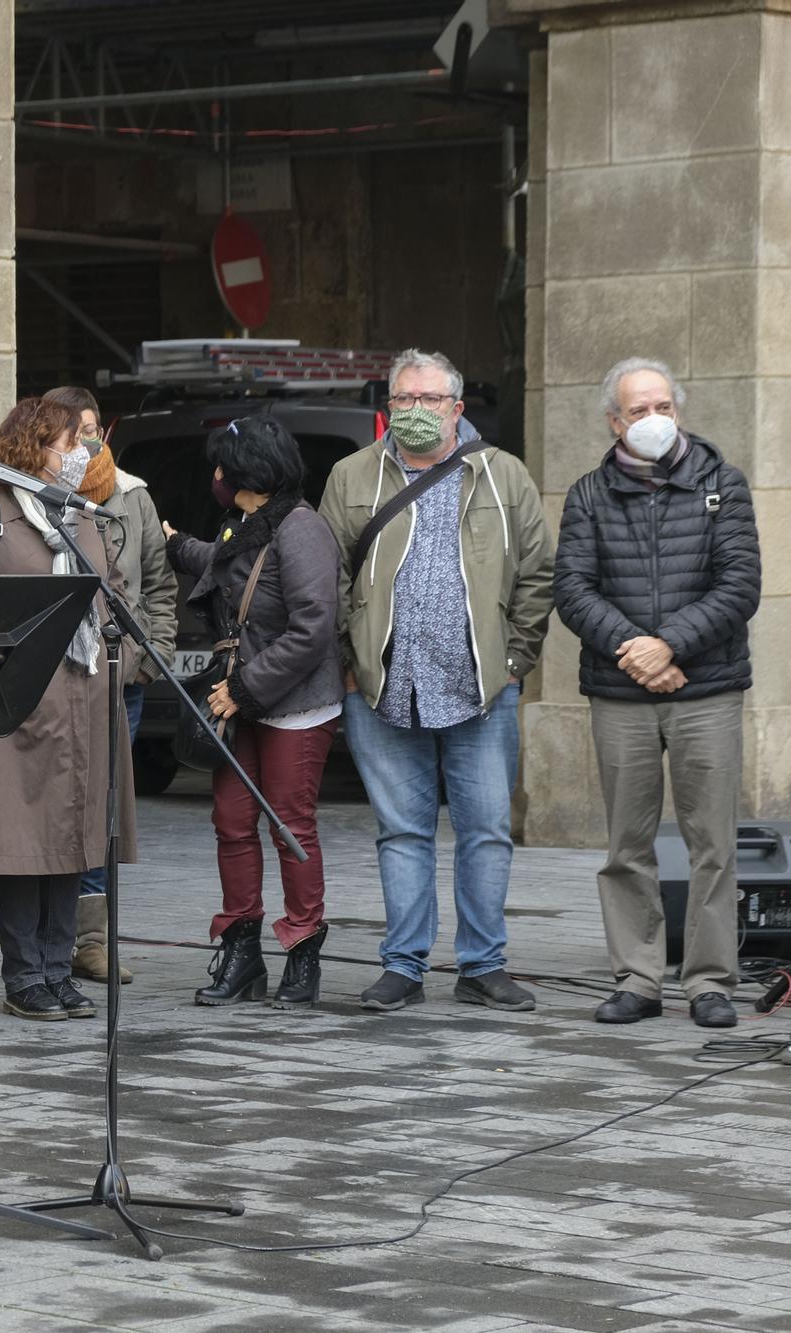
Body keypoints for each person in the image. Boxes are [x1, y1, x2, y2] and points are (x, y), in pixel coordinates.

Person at [319, 348, 554, 1014]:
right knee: (401, 832)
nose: (415, 411)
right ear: (387, 406)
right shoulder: (350, 474)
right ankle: (402, 965)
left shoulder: (503, 475)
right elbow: (328, 574)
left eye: (429, 400)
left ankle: (483, 965)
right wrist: (348, 661)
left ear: (457, 407)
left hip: (479, 689)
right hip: (382, 688)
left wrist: (514, 664)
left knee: (485, 829)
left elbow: (539, 574)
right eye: (404, 400)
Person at [554, 359, 760, 1030]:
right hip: (621, 691)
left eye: (662, 406)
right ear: (615, 422)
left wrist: (668, 644)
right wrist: (639, 655)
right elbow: (573, 590)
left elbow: (739, 586)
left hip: (707, 689)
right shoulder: (588, 495)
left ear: (679, 411)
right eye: (637, 410)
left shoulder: (723, 485)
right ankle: (638, 978)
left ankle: (709, 981)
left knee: (712, 842)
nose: (652, 420)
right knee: (626, 844)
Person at [0, 396, 136, 1022]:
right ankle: (25, 975)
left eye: (87, 441)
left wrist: (120, 667)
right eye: (70, 441)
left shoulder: (88, 521)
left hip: (89, 706)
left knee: (76, 840)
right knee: (22, 846)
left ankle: (59, 966)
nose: (83, 454)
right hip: (16, 710)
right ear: (32, 447)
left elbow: (120, 604)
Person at [163, 416, 342, 1009]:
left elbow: (313, 628)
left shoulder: (301, 529)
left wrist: (245, 688)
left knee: (290, 825)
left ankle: (302, 952)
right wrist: (173, 544)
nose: (213, 475)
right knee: (232, 822)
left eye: (222, 466)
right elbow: (219, 560)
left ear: (248, 473)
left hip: (292, 702)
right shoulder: (246, 525)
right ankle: (241, 953)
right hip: (240, 697)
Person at [52, 384, 174, 987]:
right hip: (50, 682)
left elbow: (158, 585)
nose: (89, 440)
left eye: (95, 427)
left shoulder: (132, 496)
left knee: (104, 806)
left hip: (118, 676)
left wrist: (152, 659)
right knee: (54, 804)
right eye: (75, 430)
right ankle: (49, 939)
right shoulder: (26, 494)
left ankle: (93, 941)